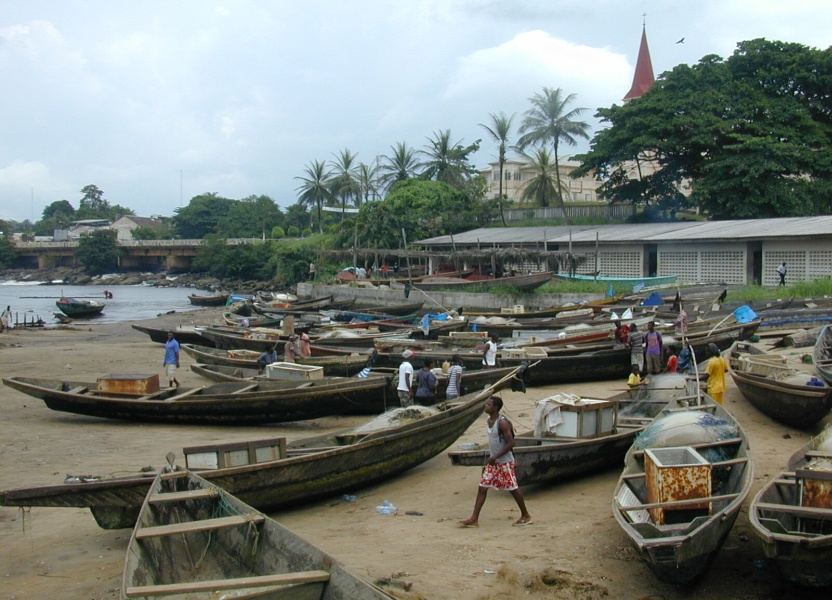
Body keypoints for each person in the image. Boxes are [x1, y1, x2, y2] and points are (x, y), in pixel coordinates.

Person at [459, 396, 532, 528]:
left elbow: (511, 443)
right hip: (494, 463)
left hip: (504, 462)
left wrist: (495, 457)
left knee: (513, 489)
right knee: (482, 488)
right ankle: (474, 518)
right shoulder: (489, 421)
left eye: (488, 405)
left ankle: (525, 515)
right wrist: (492, 458)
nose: (485, 406)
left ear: (495, 408)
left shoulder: (502, 423)